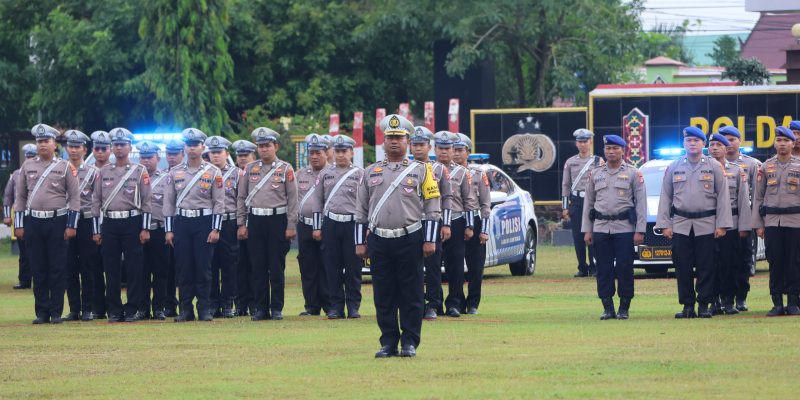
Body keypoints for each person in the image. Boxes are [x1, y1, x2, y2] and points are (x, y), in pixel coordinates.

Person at [355, 114, 441, 358]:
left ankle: (410, 341)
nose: (394, 142)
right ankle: (388, 341)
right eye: (390, 137)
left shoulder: (422, 170)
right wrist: (360, 241)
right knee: (383, 293)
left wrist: (430, 239)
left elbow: (433, 206)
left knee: (411, 292)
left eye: (399, 138)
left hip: (410, 238)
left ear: (408, 141)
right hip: (379, 239)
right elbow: (360, 210)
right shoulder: (370, 171)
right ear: (384, 141)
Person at [656, 126, 732, 319]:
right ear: (684, 143)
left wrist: (722, 224)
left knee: (707, 266)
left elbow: (723, 197)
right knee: (682, 267)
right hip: (681, 223)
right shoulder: (674, 166)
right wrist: (665, 224)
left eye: (696, 141)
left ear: (703, 144)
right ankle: (687, 305)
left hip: (706, 223)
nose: (692, 144)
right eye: (688, 141)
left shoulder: (714, 166)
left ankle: (704, 304)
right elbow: (665, 196)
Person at [14, 124, 80, 324]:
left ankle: (56, 312)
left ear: (54, 144)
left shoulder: (65, 166)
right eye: (39, 141)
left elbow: (75, 197)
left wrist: (71, 225)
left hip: (57, 221)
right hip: (34, 221)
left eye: (46, 141)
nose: (42, 145)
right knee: (38, 267)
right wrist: (19, 224)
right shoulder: (27, 166)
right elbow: (20, 197)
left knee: (57, 268)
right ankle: (42, 312)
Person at [582, 135, 646, 320]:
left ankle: (624, 307)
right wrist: (587, 230)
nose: (611, 152)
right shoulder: (596, 174)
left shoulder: (634, 173)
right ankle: (607, 307)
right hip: (601, 227)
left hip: (624, 228)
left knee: (625, 268)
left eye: (615, 148)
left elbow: (641, 204)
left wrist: (640, 230)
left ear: (623, 150)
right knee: (603, 268)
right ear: (604, 151)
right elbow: (589, 203)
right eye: (608, 148)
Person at [163, 128, 224, 322]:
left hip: (204, 222)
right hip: (182, 222)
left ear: (203, 147)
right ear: (184, 147)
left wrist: (216, 228)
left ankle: (204, 309)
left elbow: (219, 202)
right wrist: (169, 229)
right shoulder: (175, 172)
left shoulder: (213, 172)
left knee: (204, 267)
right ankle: (186, 310)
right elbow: (168, 203)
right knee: (184, 267)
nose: (192, 148)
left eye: (196, 145)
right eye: (189, 145)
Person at [236, 127, 298, 321]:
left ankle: (276, 308)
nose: (264, 150)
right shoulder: (250, 169)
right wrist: (241, 223)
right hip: (255, 220)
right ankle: (261, 308)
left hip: (277, 221)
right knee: (258, 267)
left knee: (276, 267)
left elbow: (293, 199)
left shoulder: (286, 169)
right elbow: (242, 197)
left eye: (267, 146)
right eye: (260, 146)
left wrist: (291, 225)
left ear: (275, 146)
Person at [91, 127, 152, 323]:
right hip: (109, 222)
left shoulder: (139, 171)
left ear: (130, 147)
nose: (118, 148)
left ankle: (132, 309)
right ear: (112, 147)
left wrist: (145, 228)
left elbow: (147, 201)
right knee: (111, 268)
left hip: (132, 222)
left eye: (122, 144)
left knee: (134, 268)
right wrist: (96, 230)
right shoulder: (103, 171)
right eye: (115, 145)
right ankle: (114, 310)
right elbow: (96, 202)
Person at [311, 134, 365, 319]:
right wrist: (317, 227)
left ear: (351, 152)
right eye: (338, 151)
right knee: (331, 267)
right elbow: (317, 201)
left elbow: (366, 203)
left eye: (345, 151)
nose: (341, 155)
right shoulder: (325, 174)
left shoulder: (360, 174)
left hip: (352, 223)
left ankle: (353, 306)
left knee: (353, 267)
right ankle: (335, 306)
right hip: (331, 223)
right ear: (333, 152)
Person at [751, 126, 800, 317]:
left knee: (794, 262)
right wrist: (758, 224)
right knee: (776, 262)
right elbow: (758, 197)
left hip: (795, 222)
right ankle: (777, 302)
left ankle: (794, 302)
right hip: (772, 222)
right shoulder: (765, 167)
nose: (782, 144)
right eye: (779, 141)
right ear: (774, 144)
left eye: (786, 141)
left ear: (793, 143)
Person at [707, 133, 751, 315]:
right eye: (712, 145)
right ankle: (713, 301)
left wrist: (744, 227)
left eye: (719, 145)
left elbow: (743, 201)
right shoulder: (703, 168)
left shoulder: (736, 171)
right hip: (708, 223)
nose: (715, 148)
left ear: (726, 149)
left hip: (731, 224)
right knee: (710, 265)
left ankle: (728, 300)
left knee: (730, 264)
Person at [721, 125, 760, 311]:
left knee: (743, 261)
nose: (728, 144)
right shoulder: (713, 164)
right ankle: (723, 298)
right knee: (721, 261)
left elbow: (757, 195)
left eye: (732, 139)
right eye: (724, 140)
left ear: (739, 141)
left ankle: (741, 297)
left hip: (743, 219)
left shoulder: (751, 164)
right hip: (720, 221)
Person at [417, 129, 455, 320]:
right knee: (412, 267)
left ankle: (433, 303)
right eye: (414, 144)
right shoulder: (404, 168)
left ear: (428, 147)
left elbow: (447, 198)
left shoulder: (439, 169)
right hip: (411, 222)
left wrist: (446, 224)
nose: (417, 148)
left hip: (432, 221)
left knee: (433, 265)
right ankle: (416, 302)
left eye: (421, 145)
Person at [63, 130, 99, 321]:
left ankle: (88, 308)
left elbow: (97, 202)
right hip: (66, 222)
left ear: (85, 150)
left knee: (87, 266)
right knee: (69, 266)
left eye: (77, 147)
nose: (74, 150)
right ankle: (74, 309)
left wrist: (96, 229)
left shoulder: (93, 173)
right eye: (71, 146)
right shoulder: (60, 170)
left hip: (86, 221)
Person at [295, 133, 331, 316]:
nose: (315, 156)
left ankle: (330, 304)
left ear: (327, 153)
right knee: (307, 266)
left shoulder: (332, 173)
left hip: (326, 226)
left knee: (327, 266)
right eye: (312, 152)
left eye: (318, 152)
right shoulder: (300, 174)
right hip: (304, 225)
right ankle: (311, 305)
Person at [454, 133, 489, 314]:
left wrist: (484, 230)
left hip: (475, 221)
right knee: (456, 266)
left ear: (468, 152)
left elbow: (485, 204)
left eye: (460, 150)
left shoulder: (477, 174)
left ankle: (473, 303)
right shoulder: (446, 172)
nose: (457, 154)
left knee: (476, 267)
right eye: (455, 150)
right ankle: (457, 301)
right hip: (454, 220)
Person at [562, 129, 603, 277]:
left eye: (585, 141)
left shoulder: (598, 161)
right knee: (578, 236)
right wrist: (565, 206)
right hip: (577, 201)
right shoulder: (570, 162)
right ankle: (582, 267)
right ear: (576, 143)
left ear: (590, 142)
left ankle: (594, 266)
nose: (583, 144)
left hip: (593, 201)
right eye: (580, 142)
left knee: (592, 234)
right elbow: (565, 185)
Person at [206, 136, 239, 318]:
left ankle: (227, 303)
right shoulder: (204, 173)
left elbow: (242, 200)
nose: (216, 156)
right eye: (213, 152)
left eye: (219, 152)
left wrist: (242, 224)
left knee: (229, 265)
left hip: (229, 222)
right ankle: (212, 303)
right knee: (210, 264)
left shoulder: (236, 174)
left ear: (226, 153)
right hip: (209, 223)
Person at [138, 141, 170, 320]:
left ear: (158, 158)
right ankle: (142, 308)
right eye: (143, 157)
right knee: (141, 271)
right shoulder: (132, 176)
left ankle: (159, 308)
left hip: (159, 229)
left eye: (150, 157)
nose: (146, 160)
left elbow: (171, 204)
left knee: (161, 271)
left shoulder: (166, 178)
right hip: (139, 231)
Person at [4, 143, 37, 290]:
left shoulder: (43, 172)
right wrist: (7, 215)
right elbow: (8, 196)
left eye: (32, 156)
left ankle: (41, 280)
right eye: (28, 156)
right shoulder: (16, 174)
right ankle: (24, 280)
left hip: (37, 215)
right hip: (21, 216)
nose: (30, 159)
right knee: (24, 251)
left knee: (39, 250)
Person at [231, 139, 257, 316]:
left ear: (253, 156)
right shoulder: (230, 174)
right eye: (239, 156)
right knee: (237, 266)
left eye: (245, 155)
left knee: (255, 266)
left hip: (254, 224)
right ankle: (240, 303)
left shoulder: (258, 173)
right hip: (233, 224)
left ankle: (255, 303)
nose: (242, 159)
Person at [89, 130, 112, 319]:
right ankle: (98, 307)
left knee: (113, 269)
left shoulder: (118, 169)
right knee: (94, 268)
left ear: (110, 150)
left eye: (104, 148)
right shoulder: (86, 171)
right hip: (93, 224)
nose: (100, 152)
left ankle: (114, 306)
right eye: (97, 148)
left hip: (115, 223)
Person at [164, 139, 185, 317]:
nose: (171, 157)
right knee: (167, 269)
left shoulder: (187, 174)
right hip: (164, 227)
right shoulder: (163, 174)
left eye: (175, 154)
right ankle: (169, 304)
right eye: (169, 154)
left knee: (184, 268)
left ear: (182, 154)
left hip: (184, 224)